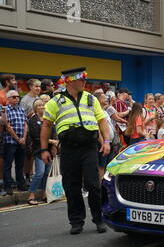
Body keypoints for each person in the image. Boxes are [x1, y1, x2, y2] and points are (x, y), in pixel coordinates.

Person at [41, 67, 111, 235]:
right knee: (71, 186)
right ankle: (76, 221)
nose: (85, 82)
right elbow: (46, 126)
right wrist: (43, 149)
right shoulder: (55, 102)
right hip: (68, 149)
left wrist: (106, 141)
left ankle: (99, 219)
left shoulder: (90, 99)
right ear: (70, 81)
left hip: (89, 148)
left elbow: (101, 121)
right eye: (82, 80)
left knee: (93, 185)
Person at [27, 99, 57, 205]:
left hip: (49, 150)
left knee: (46, 174)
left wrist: (54, 144)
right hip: (39, 150)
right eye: (38, 106)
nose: (41, 107)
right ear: (35, 108)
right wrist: (51, 141)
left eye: (42, 105)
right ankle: (31, 195)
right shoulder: (33, 120)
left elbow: (54, 131)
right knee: (39, 172)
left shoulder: (48, 118)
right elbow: (36, 137)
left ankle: (45, 194)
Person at [3, 90, 28, 195]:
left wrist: (24, 138)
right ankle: (8, 186)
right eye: (13, 97)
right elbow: (7, 126)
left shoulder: (22, 110)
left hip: (21, 141)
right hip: (10, 141)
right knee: (8, 164)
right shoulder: (5, 110)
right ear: (8, 99)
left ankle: (21, 184)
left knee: (20, 164)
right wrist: (18, 139)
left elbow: (25, 125)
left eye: (18, 96)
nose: (16, 98)